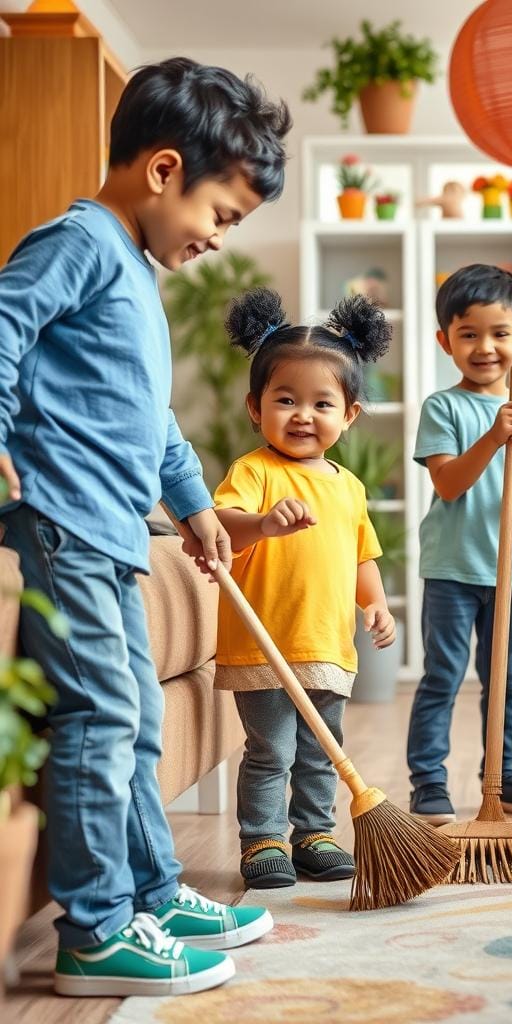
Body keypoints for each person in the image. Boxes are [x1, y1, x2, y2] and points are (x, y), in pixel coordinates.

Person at [0, 57, 291, 996]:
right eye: (221, 215)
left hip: (114, 535)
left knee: (133, 725)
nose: (217, 239)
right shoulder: (78, 241)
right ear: (164, 170)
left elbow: (152, 417)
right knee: (101, 717)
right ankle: (95, 931)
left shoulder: (135, 271)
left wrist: (198, 508)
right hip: (60, 523)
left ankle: (154, 895)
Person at [215, 289, 395, 888]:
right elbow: (222, 526)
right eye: (285, 399)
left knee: (321, 748)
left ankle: (314, 835)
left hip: (327, 646)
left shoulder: (349, 487)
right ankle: (262, 840)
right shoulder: (254, 472)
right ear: (254, 407)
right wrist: (263, 524)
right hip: (262, 644)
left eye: (322, 403)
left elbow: (361, 555)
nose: (302, 415)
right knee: (272, 750)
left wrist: (375, 602)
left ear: (349, 415)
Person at [406, 264, 512, 824]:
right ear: (445, 340)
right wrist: (495, 435)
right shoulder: (442, 407)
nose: (485, 347)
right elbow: (448, 484)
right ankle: (428, 781)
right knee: (442, 676)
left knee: (505, 680)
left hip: (509, 573)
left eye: (500, 333)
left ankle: (503, 774)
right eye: (468, 334)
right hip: (452, 568)